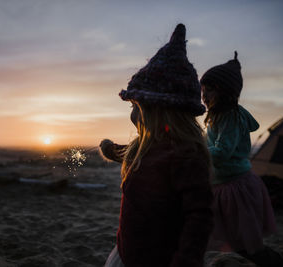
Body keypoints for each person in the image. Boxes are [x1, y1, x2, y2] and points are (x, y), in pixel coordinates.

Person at [102, 23, 214, 267]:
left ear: (161, 110)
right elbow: (137, 157)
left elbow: (199, 216)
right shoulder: (149, 145)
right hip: (127, 250)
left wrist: (186, 260)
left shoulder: (186, 156)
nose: (132, 115)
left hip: (159, 258)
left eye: (136, 107)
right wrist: (111, 150)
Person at [200, 52, 283, 267]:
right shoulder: (215, 117)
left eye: (209, 90)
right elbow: (209, 144)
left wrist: (197, 151)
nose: (203, 96)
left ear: (225, 91)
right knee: (214, 233)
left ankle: (280, 264)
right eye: (202, 91)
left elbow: (222, 151)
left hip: (236, 188)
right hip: (222, 185)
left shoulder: (231, 117)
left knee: (245, 244)